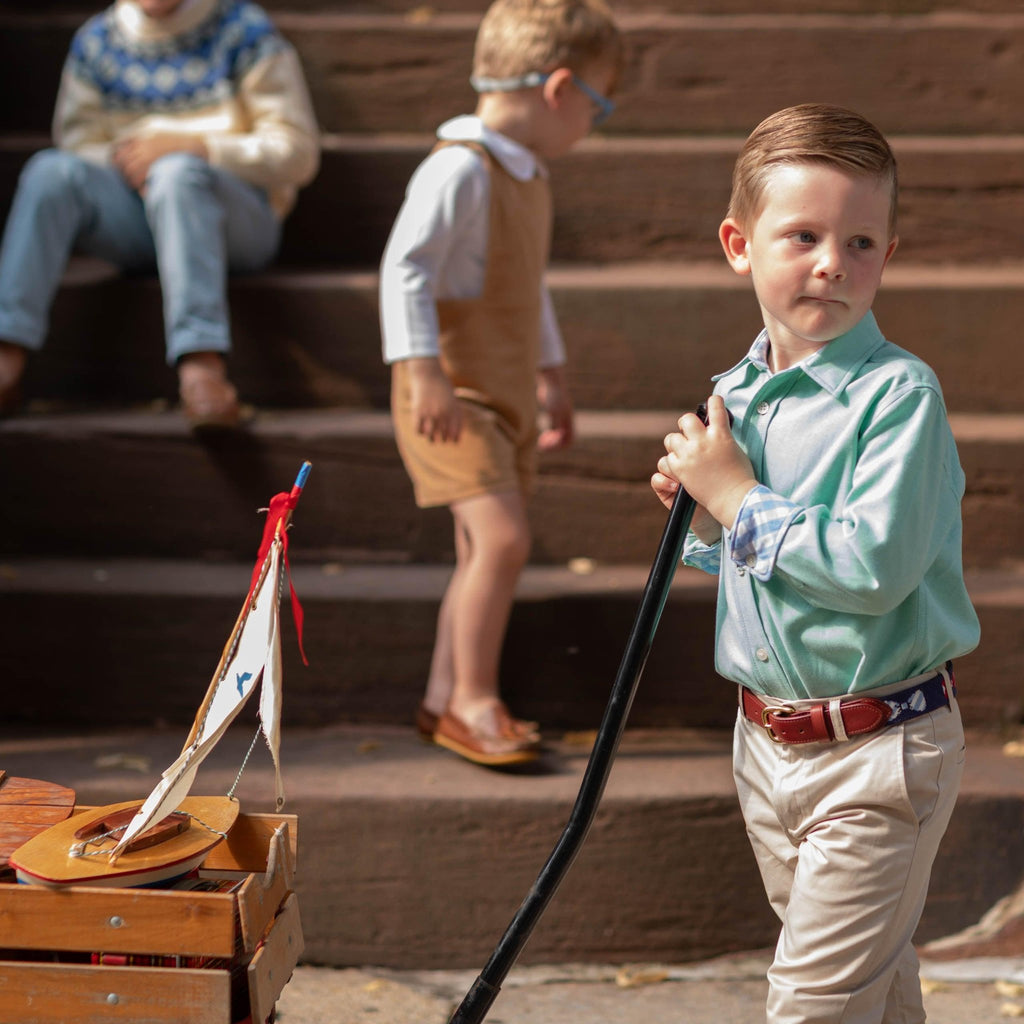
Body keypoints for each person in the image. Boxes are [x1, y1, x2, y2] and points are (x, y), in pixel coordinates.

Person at [651, 104, 981, 1023]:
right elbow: (763, 572)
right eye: (803, 235)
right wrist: (707, 521)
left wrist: (738, 501)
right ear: (738, 245)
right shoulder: (736, 393)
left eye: (862, 241)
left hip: (882, 748)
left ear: (887, 253)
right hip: (768, 743)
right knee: (869, 988)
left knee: (812, 1004)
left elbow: (871, 569)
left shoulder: (898, 396)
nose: (834, 262)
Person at [379, 0, 624, 767]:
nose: (595, 123)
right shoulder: (460, 167)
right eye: (599, 103)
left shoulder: (526, 175)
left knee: (479, 549)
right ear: (559, 90)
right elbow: (404, 267)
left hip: (505, 387)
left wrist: (550, 373)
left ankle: (442, 692)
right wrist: (422, 371)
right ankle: (473, 701)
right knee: (503, 539)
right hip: (455, 393)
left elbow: (526, 286)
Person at [0, 0, 320, 427]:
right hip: (140, 218)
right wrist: (132, 159)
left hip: (238, 224)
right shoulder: (97, 42)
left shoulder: (243, 30)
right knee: (48, 172)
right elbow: (77, 143)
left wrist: (197, 148)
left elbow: (297, 152)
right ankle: (7, 349)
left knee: (178, 173)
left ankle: (201, 362)